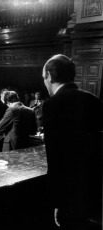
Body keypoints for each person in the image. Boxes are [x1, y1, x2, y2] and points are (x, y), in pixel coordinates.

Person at [42, 54, 103, 230]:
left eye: (44, 78)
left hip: (69, 195)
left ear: (50, 76)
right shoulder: (94, 100)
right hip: (94, 189)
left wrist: (57, 201)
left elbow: (56, 156)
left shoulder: (53, 105)